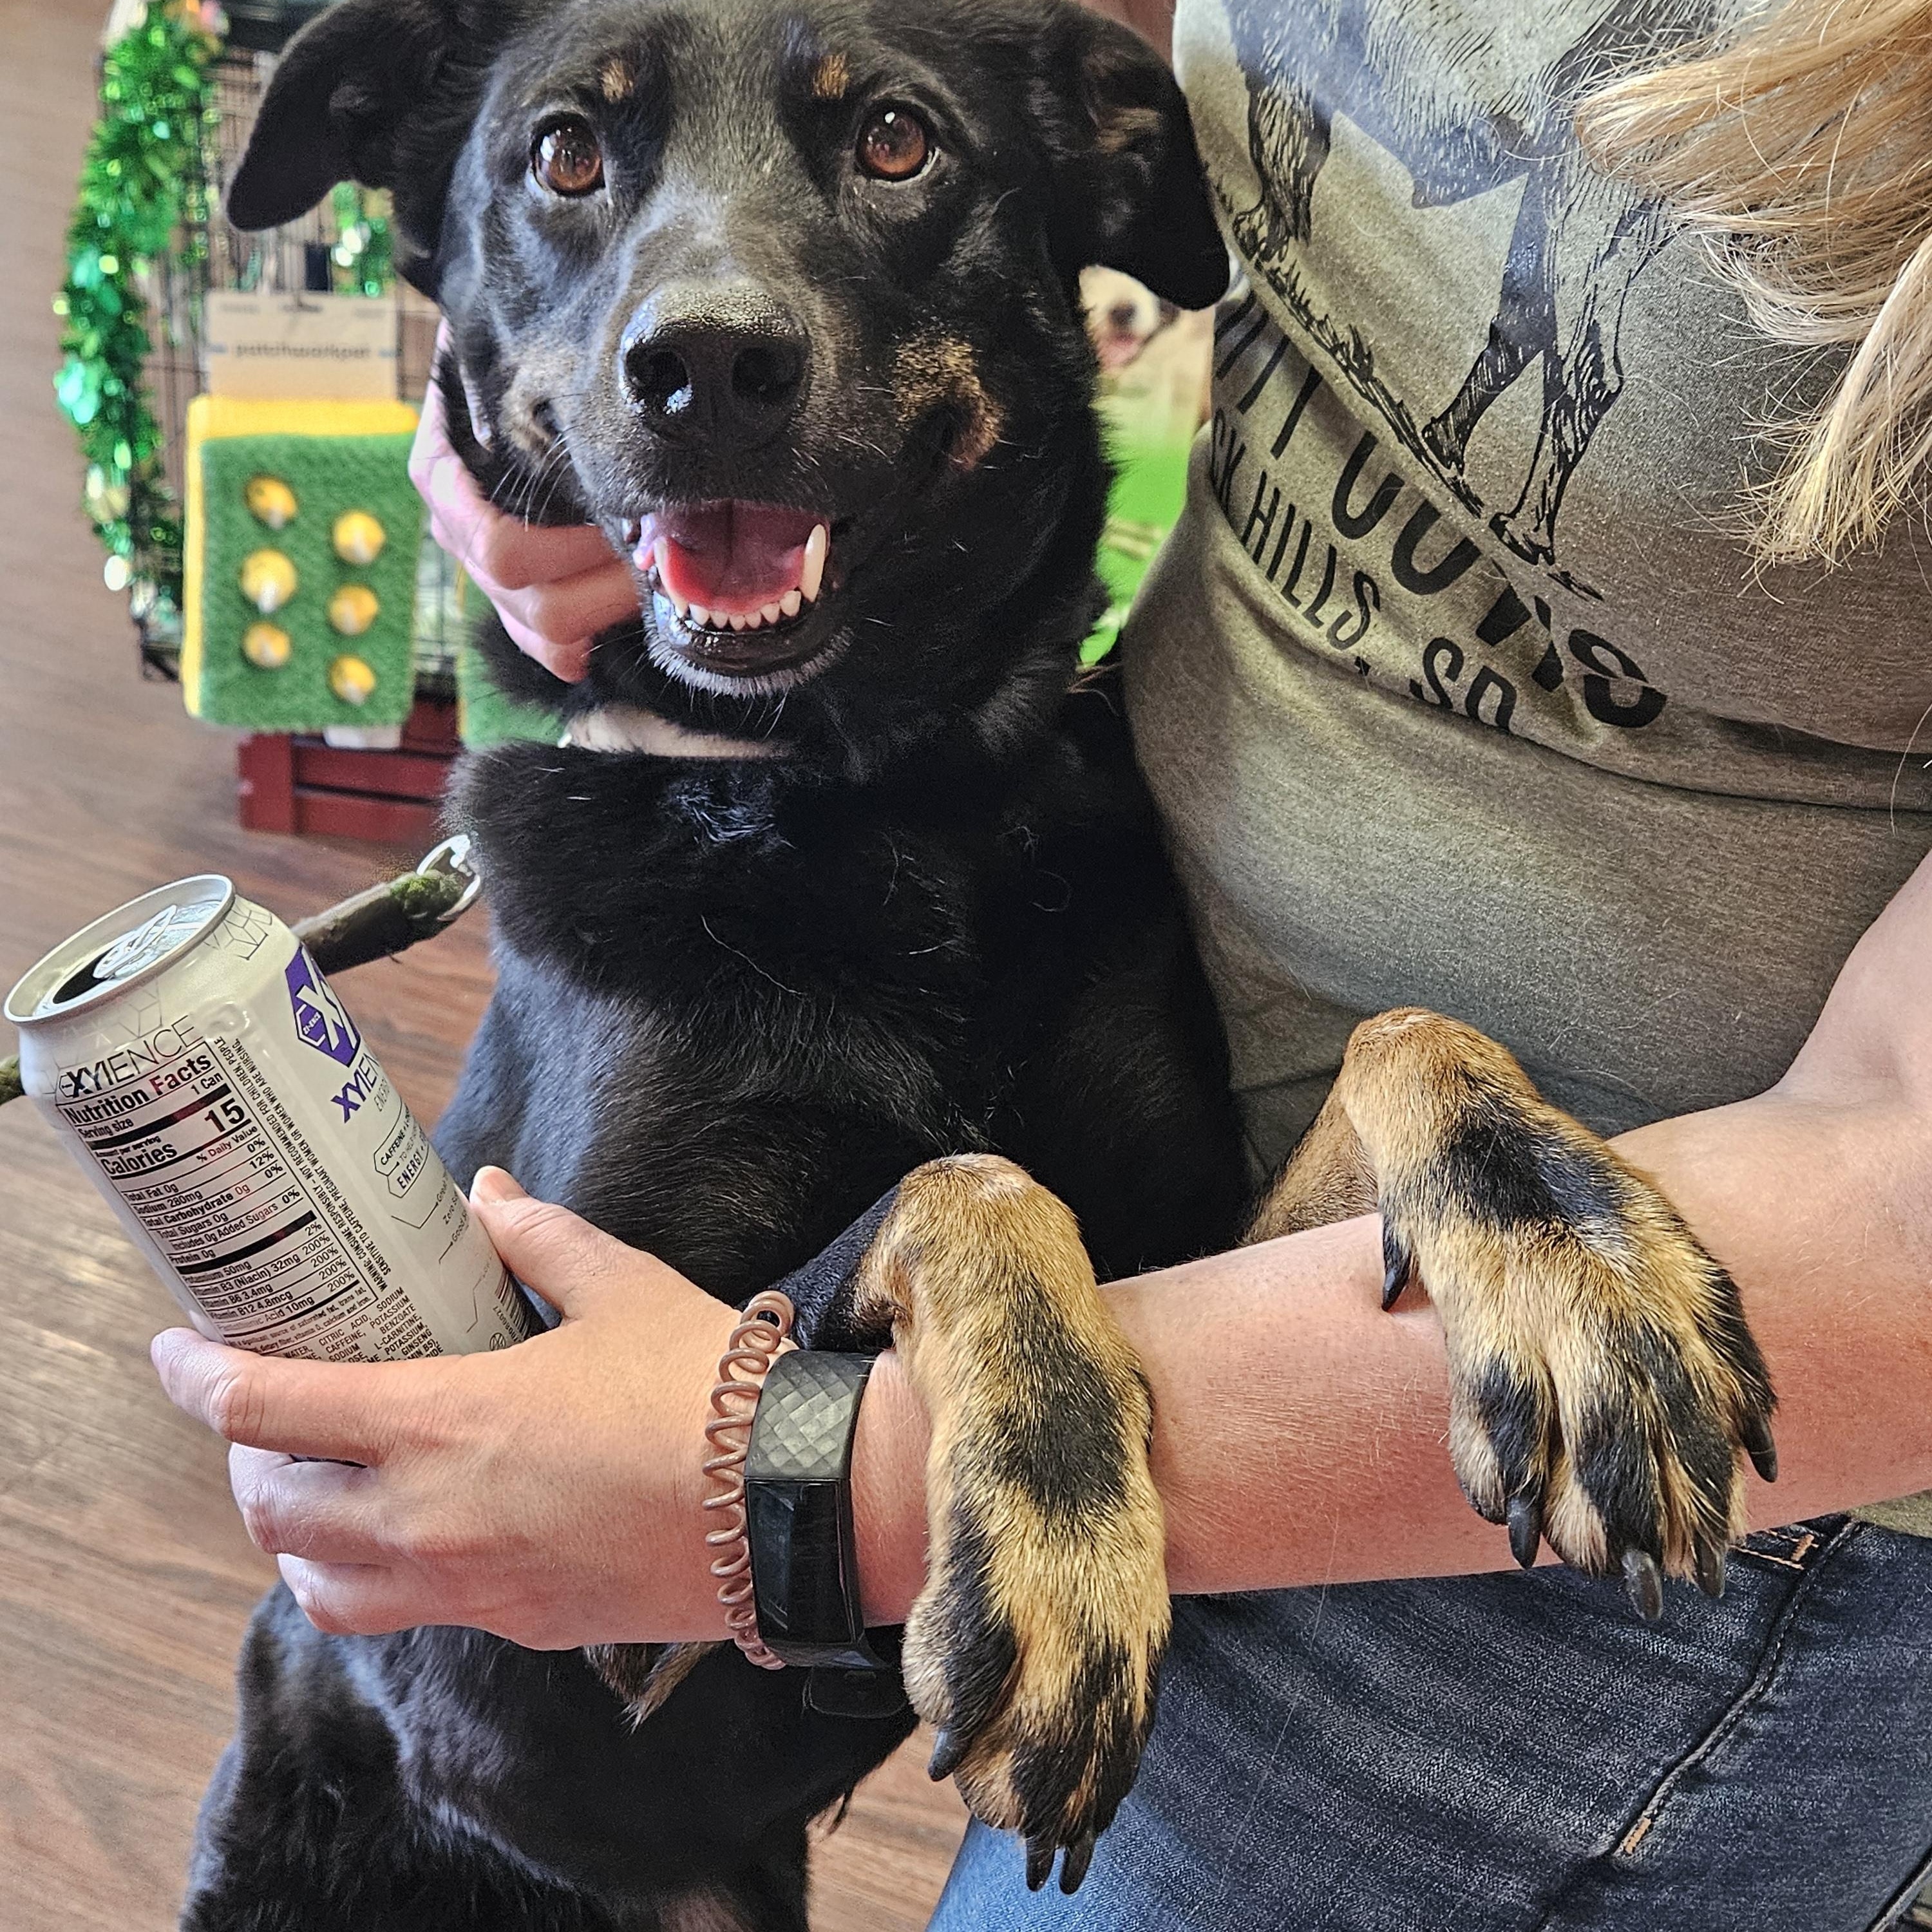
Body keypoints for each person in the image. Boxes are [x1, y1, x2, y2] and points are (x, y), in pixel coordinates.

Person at [153, 0, 1932, 1923]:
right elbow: (541, 1737)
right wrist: (520, 426)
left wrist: (835, 1454)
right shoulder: (668, 928)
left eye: (892, 148)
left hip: (1676, 1498)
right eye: (573, 166)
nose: (711, 306)